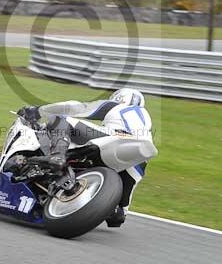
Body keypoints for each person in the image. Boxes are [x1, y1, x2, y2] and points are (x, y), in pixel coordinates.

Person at [29, 88, 155, 228]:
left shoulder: (118, 106)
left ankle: (57, 155)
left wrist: (38, 110)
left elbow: (75, 107)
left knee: (61, 119)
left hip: (117, 136)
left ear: (120, 98)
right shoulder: (145, 123)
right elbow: (117, 219)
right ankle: (113, 208)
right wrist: (113, 209)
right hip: (140, 158)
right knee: (119, 213)